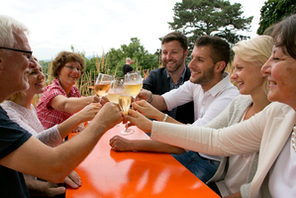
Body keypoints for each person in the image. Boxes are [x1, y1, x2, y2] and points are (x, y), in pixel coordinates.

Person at [125, 14, 296, 198]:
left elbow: (209, 144)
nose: (266, 68)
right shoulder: (273, 111)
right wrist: (149, 117)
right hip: (219, 180)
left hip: (209, 163)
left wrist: (149, 125)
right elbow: (214, 138)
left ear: (218, 66)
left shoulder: (237, 99)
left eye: (277, 58)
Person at [0, 15, 122, 197]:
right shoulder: (46, 94)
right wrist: (100, 122)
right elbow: (53, 165)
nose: (33, 64)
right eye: (27, 55)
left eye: (79, 69)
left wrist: (36, 187)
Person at [112, 35, 239, 182]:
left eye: (200, 60)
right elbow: (165, 101)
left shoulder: (229, 97)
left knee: (155, 178)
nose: (190, 65)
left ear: (219, 66)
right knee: (140, 171)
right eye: (192, 57)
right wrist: (149, 98)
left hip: (208, 161)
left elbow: (194, 137)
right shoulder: (196, 83)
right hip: (188, 148)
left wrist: (151, 121)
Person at [1, 58, 102, 196]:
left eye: (78, 69)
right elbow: (37, 143)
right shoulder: (8, 110)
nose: (42, 76)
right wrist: (88, 116)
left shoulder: (29, 106)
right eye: (33, 72)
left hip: (45, 167)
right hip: (38, 176)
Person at [36, 51, 100, 130]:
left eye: (78, 69)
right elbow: (65, 105)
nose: (76, 71)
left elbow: (79, 109)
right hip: (44, 141)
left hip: (62, 139)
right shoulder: (52, 90)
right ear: (59, 70)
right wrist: (92, 99)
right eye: (71, 67)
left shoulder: (73, 90)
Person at [143, 31, 194, 124]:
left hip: (185, 134)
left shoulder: (194, 78)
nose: (168, 57)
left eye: (174, 52)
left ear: (185, 53)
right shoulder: (155, 75)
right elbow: (141, 91)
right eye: (165, 52)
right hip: (156, 131)